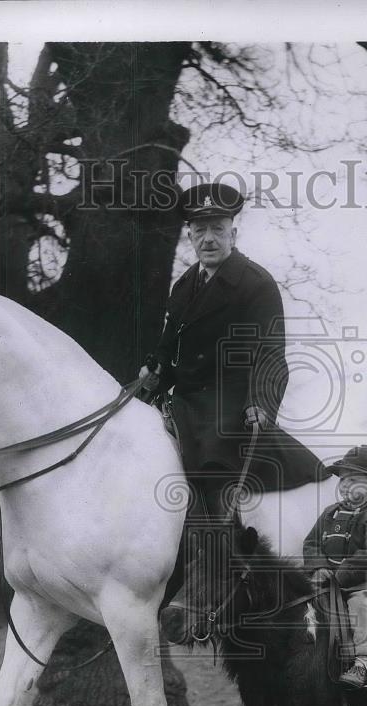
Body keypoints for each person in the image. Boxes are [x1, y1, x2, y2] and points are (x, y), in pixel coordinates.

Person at [139, 180, 328, 524]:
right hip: (183, 400)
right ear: (190, 236)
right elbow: (169, 349)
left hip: (231, 402)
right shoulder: (183, 287)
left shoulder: (256, 283)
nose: (208, 238)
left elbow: (271, 353)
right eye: (200, 230)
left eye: (217, 229)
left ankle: (225, 548)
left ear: (233, 234)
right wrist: (153, 372)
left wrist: (261, 402)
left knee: (214, 460)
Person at [302, 445, 367, 689]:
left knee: (360, 605)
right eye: (343, 480)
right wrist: (318, 567)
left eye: (353, 479)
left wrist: (339, 575)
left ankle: (362, 663)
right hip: (325, 579)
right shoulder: (329, 514)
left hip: (364, 582)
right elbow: (311, 543)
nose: (345, 485)